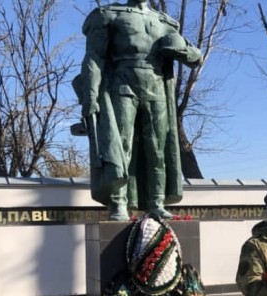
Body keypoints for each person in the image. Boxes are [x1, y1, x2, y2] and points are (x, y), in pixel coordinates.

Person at [75, 0, 203, 221]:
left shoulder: (166, 22)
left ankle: (156, 202)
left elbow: (195, 57)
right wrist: (90, 96)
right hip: (121, 85)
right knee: (120, 146)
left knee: (158, 149)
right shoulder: (109, 15)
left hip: (157, 89)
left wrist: (180, 50)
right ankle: (119, 204)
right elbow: (93, 58)